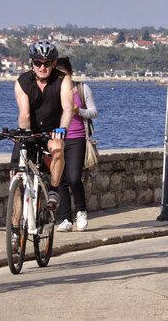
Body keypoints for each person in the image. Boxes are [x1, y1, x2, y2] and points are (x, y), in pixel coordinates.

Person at [13, 40, 74, 211]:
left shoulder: (63, 80)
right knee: (16, 179)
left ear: (54, 63)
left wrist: (62, 129)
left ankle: (54, 190)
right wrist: (24, 135)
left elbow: (68, 108)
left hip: (52, 132)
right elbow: (24, 113)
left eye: (47, 63)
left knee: (58, 147)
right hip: (28, 132)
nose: (42, 67)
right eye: (38, 63)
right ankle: (16, 229)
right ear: (31, 63)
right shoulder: (22, 82)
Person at [53, 56, 98, 232]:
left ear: (70, 73)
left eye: (64, 75)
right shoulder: (54, 90)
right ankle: (65, 218)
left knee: (73, 177)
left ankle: (81, 211)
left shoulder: (81, 88)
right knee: (60, 179)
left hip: (77, 138)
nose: (61, 79)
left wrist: (78, 111)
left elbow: (94, 112)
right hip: (59, 139)